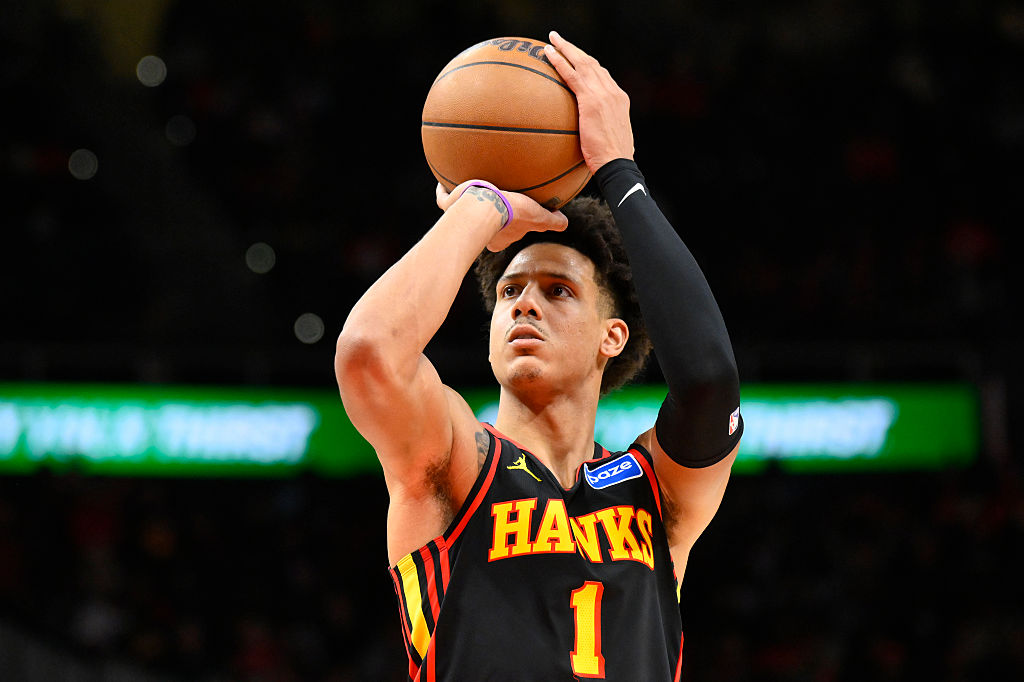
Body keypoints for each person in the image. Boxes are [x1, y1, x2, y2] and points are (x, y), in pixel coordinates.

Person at [335, 31, 743, 681]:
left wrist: (618, 169)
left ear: (612, 336)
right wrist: (478, 208)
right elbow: (367, 356)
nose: (525, 305)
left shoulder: (653, 491)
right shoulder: (454, 458)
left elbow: (710, 383)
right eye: (510, 290)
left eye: (557, 291)